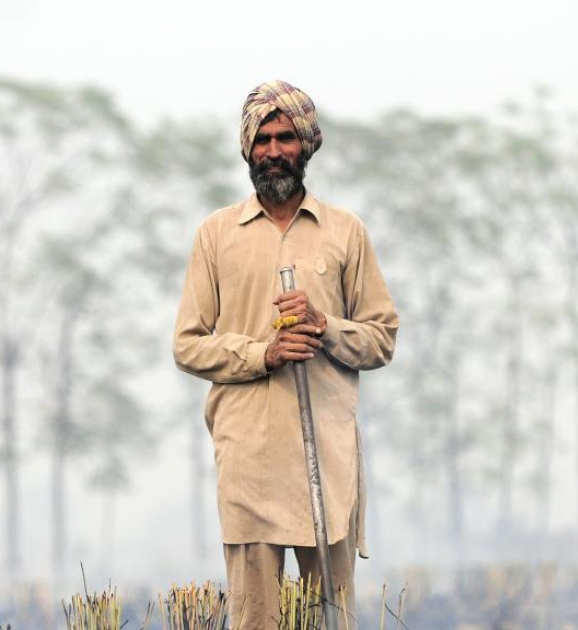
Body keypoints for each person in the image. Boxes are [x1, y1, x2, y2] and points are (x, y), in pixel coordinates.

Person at [173, 79, 398, 630]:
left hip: (327, 461)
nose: (274, 151)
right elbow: (187, 344)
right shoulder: (216, 235)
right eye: (263, 140)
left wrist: (325, 328)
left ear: (307, 145)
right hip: (249, 462)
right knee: (256, 622)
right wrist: (263, 353)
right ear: (248, 149)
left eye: (286, 138)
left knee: (331, 621)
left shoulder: (345, 231)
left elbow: (382, 337)